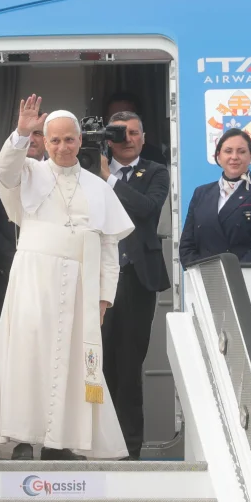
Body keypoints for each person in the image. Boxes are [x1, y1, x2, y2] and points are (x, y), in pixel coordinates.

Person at [0, 95, 135, 461]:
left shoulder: (98, 186)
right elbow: (5, 170)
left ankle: (61, 441)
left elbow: (109, 246)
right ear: (44, 143)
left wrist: (104, 297)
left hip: (80, 286)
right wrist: (21, 132)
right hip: (34, 280)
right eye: (55, 140)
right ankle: (22, 437)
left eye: (69, 139)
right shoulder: (29, 173)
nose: (63, 147)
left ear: (80, 140)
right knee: (28, 355)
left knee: (73, 361)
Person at [98, 110, 171, 460]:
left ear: (143, 137)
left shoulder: (155, 172)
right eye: (118, 132)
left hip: (136, 280)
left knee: (129, 367)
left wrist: (108, 178)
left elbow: (145, 209)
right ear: (107, 139)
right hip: (97, 280)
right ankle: (96, 444)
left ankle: (129, 449)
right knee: (95, 365)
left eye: (133, 132)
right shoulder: (86, 172)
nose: (126, 139)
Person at [0, 123, 47, 380]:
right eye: (27, 134)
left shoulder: (58, 176)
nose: (32, 140)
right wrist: (18, 261)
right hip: (3, 278)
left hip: (46, 281)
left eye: (39, 134)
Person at [179, 127, 251, 267]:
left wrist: (235, 272)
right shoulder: (201, 193)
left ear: (250, 156)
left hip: (246, 276)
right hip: (205, 276)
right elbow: (186, 245)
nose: (234, 157)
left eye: (241, 151)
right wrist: (201, 271)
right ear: (218, 156)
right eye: (228, 151)